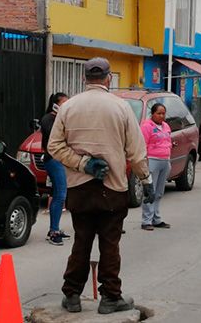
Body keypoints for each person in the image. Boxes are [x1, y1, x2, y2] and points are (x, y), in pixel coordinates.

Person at [48, 57, 154, 315]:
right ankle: (110, 297)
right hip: (113, 188)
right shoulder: (121, 107)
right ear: (108, 78)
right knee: (110, 244)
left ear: (85, 78)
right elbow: (136, 151)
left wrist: (83, 164)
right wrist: (145, 179)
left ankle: (72, 295)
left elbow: (54, 147)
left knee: (81, 241)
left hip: (80, 188)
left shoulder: (68, 107)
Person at [40, 92, 70, 246]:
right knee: (60, 194)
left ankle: (55, 228)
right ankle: (53, 231)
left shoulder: (61, 119)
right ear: (56, 104)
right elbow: (55, 136)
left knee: (58, 193)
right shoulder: (48, 119)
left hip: (61, 160)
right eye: (64, 102)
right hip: (53, 160)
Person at [140, 103, 172, 231]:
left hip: (165, 160)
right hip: (152, 160)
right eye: (158, 113)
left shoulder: (166, 126)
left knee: (159, 192)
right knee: (150, 192)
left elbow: (168, 142)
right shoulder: (147, 126)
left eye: (163, 113)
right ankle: (146, 220)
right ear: (152, 114)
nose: (161, 116)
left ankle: (156, 218)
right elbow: (143, 144)